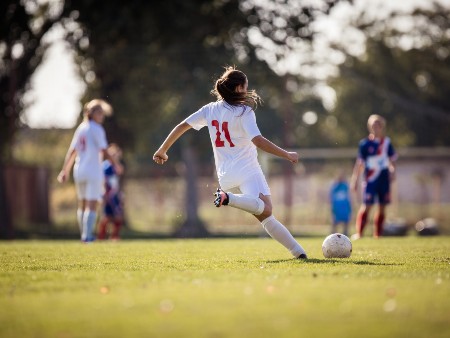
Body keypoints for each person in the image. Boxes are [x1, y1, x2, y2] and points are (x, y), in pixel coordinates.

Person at [153, 66, 307, 259]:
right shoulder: (244, 112)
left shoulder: (209, 110)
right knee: (266, 208)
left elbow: (182, 126)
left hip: (225, 175)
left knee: (265, 215)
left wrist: (162, 149)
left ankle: (298, 253)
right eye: (245, 87)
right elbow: (258, 141)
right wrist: (287, 154)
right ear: (237, 88)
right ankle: (229, 198)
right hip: (247, 170)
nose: (246, 91)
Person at [57, 99, 119, 242]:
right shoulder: (97, 129)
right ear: (91, 113)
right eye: (99, 113)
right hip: (93, 170)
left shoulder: (81, 128)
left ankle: (84, 235)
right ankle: (88, 236)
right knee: (92, 204)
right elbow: (104, 150)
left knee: (82, 203)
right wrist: (116, 164)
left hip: (79, 170)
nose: (102, 116)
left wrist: (65, 170)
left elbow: (72, 151)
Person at [350, 114, 397, 239]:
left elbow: (392, 161)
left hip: (384, 179)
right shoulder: (365, 144)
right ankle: (359, 233)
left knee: (382, 207)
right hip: (370, 179)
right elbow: (359, 163)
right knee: (367, 206)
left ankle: (378, 234)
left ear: (382, 127)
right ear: (370, 127)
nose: (376, 127)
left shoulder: (386, 143)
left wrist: (393, 171)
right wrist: (354, 180)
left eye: (378, 125)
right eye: (373, 125)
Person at [98, 144, 124, 240]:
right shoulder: (105, 165)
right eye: (113, 154)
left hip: (115, 194)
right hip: (108, 194)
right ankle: (101, 236)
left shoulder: (116, 166)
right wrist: (104, 192)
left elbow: (120, 171)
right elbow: (104, 180)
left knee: (118, 216)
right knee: (106, 217)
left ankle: (114, 236)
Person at [329, 171, 352, 236]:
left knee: (346, 222)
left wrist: (350, 207)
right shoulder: (335, 187)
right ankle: (332, 236)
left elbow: (349, 196)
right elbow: (331, 197)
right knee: (335, 222)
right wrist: (332, 207)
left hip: (344, 207)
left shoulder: (345, 186)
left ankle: (346, 235)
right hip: (337, 207)